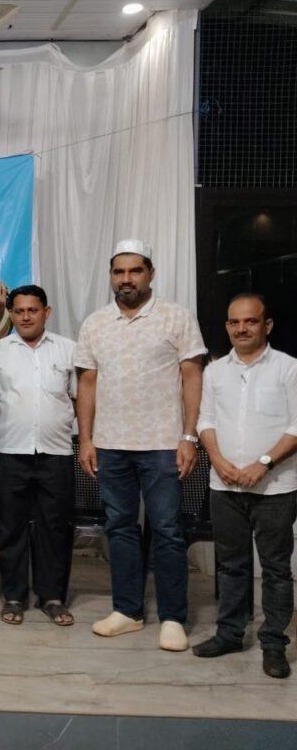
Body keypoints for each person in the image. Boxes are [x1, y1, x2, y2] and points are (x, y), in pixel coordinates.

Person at [74, 239, 205, 652]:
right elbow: (87, 383)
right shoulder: (95, 323)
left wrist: (189, 436)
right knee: (120, 528)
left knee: (167, 530)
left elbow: (192, 377)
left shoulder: (176, 317)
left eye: (135, 271)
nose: (126, 279)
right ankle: (127, 611)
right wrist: (87, 439)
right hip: (111, 444)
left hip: (163, 444)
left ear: (150, 274)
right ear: (111, 277)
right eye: (119, 272)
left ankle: (173, 617)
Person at [192, 293, 297, 679]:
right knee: (231, 566)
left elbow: (296, 426)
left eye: (250, 321)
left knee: (275, 570)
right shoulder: (215, 372)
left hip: (276, 487)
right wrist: (218, 462)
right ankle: (230, 634)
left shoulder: (289, 368)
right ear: (227, 326)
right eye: (234, 322)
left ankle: (274, 644)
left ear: (267, 325)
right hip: (224, 486)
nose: (241, 328)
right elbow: (205, 420)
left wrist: (263, 464)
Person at [0, 285, 76, 626]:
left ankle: (52, 597)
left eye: (32, 310)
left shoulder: (68, 350)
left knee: (55, 527)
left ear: (46, 312)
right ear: (11, 314)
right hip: (9, 452)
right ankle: (14, 596)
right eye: (18, 311)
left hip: (56, 452)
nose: (25, 317)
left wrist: (87, 441)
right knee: (11, 528)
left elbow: (79, 399)